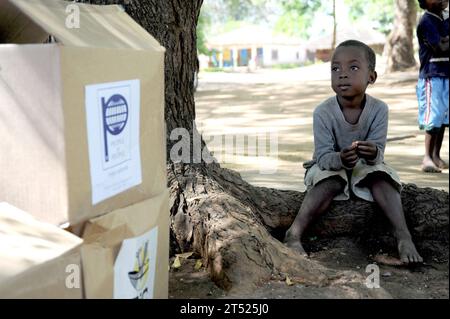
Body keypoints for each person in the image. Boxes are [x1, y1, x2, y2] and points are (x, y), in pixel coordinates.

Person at [284, 40, 423, 264]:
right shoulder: (323, 112)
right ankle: (294, 234)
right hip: (328, 166)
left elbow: (378, 154)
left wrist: (371, 152)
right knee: (331, 180)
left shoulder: (379, 109)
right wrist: (338, 158)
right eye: (335, 68)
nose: (342, 74)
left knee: (381, 176)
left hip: (364, 167)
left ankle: (403, 236)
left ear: (372, 77)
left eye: (353, 68)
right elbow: (322, 156)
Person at [416, 0, 449, 173]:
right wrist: (444, 41)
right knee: (433, 117)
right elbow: (441, 47)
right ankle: (427, 158)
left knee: (443, 117)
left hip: (447, 75)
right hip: (432, 76)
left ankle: (436, 155)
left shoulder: (446, 19)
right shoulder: (427, 21)